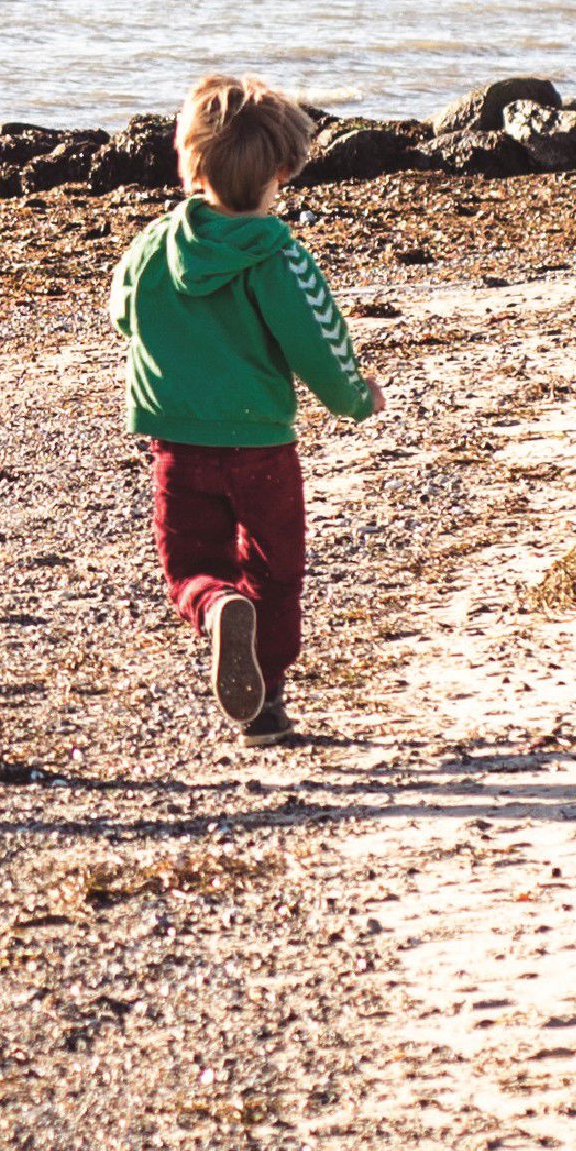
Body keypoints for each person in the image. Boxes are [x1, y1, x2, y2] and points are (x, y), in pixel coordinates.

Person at [108, 76, 382, 743]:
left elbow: (121, 313)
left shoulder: (151, 247)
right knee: (276, 569)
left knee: (190, 566)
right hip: (261, 445)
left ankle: (216, 605)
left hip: (176, 444)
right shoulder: (278, 255)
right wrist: (354, 396)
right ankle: (267, 703)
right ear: (283, 171)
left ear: (189, 163)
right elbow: (319, 341)